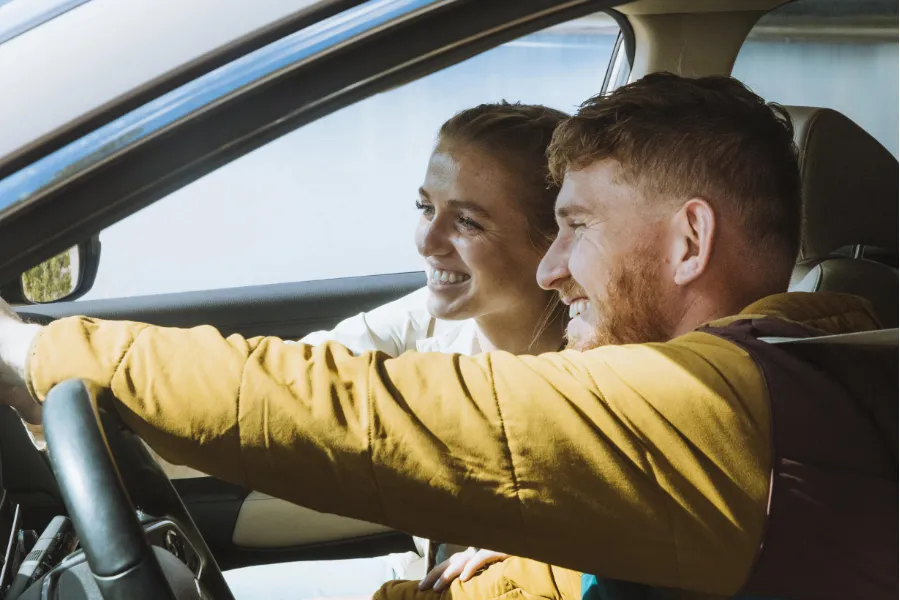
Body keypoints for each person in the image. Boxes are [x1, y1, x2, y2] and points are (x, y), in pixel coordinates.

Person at [1, 73, 895, 599]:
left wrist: (30, 351)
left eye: (576, 226)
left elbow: (355, 413)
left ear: (690, 240)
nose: (551, 269)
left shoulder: (721, 409)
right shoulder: (765, 386)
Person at [221, 101, 573, 599]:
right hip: (416, 573)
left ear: (553, 242)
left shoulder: (601, 364)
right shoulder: (430, 318)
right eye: (425, 208)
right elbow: (289, 378)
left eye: (468, 222)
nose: (427, 241)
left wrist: (536, 553)